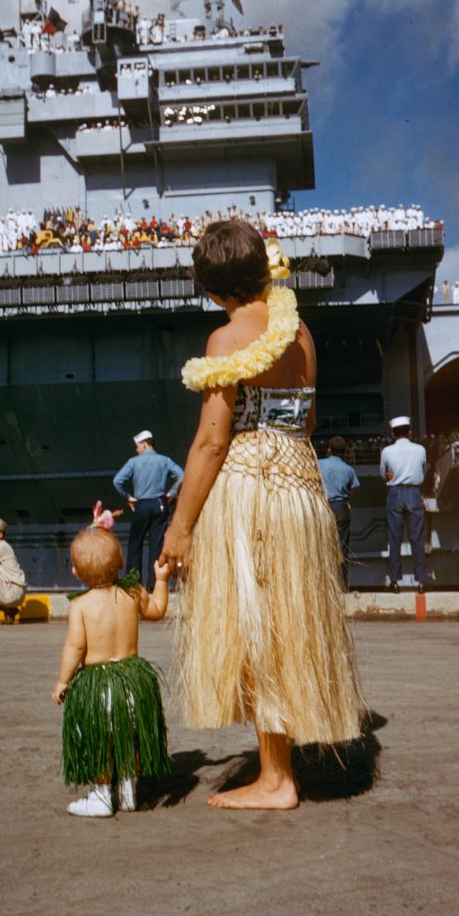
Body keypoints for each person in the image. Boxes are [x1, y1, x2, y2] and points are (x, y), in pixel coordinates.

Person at [160, 219, 366, 811]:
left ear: (213, 288)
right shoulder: (300, 333)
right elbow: (305, 423)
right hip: (301, 483)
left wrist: (181, 527)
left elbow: (211, 442)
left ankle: (276, 780)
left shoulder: (227, 340)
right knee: (291, 623)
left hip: (251, 483)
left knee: (257, 631)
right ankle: (280, 766)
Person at [52, 524, 171, 817]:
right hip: (134, 681)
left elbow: (75, 648)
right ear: (120, 562)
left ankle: (102, 796)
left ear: (76, 573)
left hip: (99, 686)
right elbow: (156, 610)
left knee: (100, 740)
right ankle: (129, 791)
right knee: (129, 736)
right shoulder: (132, 592)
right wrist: (162, 579)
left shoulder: (80, 605)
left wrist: (62, 681)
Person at [113, 430, 184, 590]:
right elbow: (183, 475)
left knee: (135, 544)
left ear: (144, 445)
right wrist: (171, 493)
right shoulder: (165, 460)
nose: (136, 450)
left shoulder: (133, 462)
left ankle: (133, 583)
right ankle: (154, 585)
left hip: (142, 505)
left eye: (137, 447)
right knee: (156, 546)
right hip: (160, 504)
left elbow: (117, 481)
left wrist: (128, 496)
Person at [379, 417, 428, 593]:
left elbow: (383, 474)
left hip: (395, 493)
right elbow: (423, 472)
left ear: (393, 433)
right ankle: (421, 581)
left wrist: (392, 476)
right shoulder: (420, 449)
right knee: (417, 539)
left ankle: (394, 581)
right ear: (409, 431)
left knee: (395, 539)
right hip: (414, 493)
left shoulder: (386, 451)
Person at [318, 435, 360, 589]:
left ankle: (324, 584)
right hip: (341, 508)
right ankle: (342, 583)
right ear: (344, 451)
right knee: (342, 546)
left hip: (323, 507)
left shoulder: (319, 464)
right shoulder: (349, 469)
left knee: (322, 545)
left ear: (329, 449)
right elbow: (352, 490)